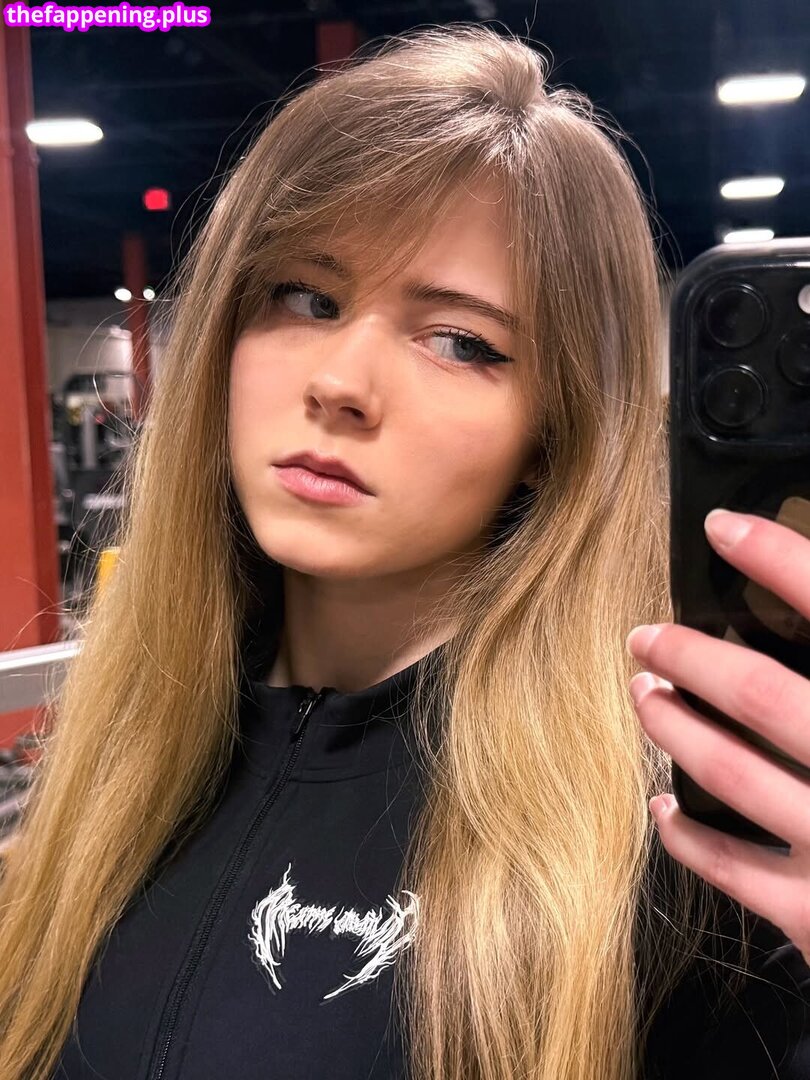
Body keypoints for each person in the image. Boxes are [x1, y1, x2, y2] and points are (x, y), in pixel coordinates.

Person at [1, 22, 809, 1080]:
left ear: (552, 432)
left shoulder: (653, 846)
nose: (341, 382)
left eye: (461, 342)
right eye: (306, 297)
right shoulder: (124, 754)